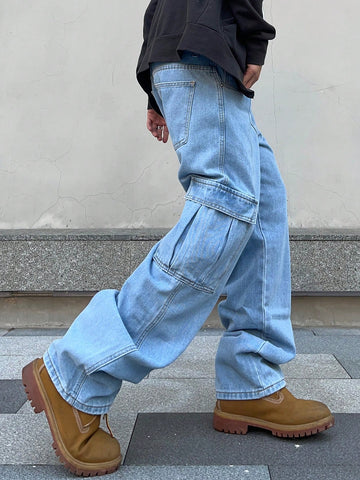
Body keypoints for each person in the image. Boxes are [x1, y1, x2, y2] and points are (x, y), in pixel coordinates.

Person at [22, 0, 334, 477]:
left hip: (191, 48)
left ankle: (251, 380)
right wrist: (254, 35)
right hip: (205, 52)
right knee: (224, 207)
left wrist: (156, 85)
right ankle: (78, 371)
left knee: (261, 206)